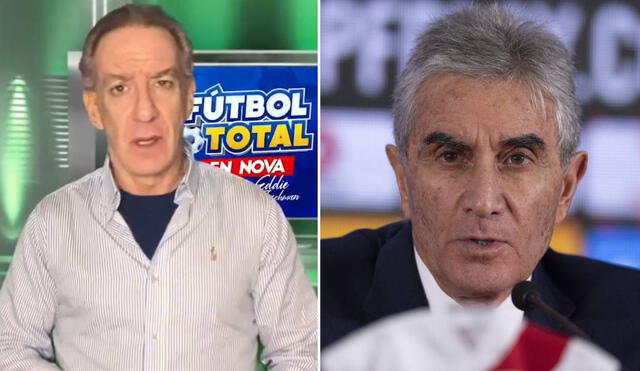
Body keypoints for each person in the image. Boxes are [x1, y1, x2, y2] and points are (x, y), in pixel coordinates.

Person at [321, 4, 640, 369]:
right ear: (403, 179)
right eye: (451, 157)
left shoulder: (631, 324)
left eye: (518, 159)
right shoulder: (302, 303)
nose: (484, 201)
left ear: (566, 188)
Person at [0, 4, 317, 370]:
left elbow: (301, 352)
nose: (145, 110)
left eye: (162, 83)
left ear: (188, 95)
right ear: (94, 107)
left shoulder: (256, 214)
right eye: (120, 88)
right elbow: (13, 347)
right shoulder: (53, 222)